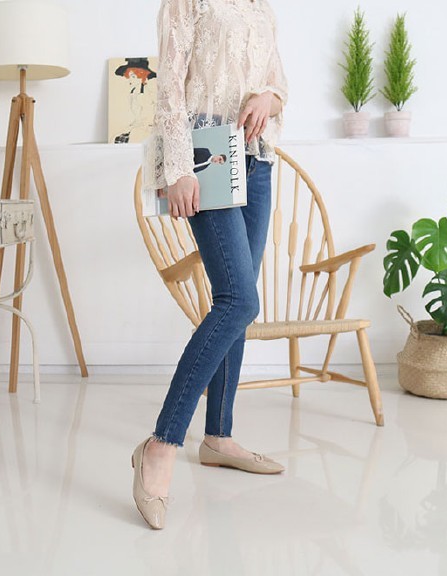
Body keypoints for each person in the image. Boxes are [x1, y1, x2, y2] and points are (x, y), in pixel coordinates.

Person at [133, 0, 288, 530]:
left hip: (257, 161)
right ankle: (161, 443)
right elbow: (171, 86)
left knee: (237, 305)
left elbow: (277, 79)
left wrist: (269, 97)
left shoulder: (261, 5)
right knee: (238, 300)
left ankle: (218, 436)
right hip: (205, 154)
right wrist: (179, 168)